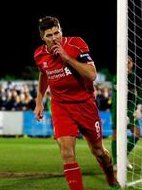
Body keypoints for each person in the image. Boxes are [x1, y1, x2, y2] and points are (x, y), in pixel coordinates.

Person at [33, 16, 119, 190]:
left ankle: (110, 176)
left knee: (98, 152)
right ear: (43, 37)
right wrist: (39, 101)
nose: (55, 37)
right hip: (61, 106)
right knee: (67, 152)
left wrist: (66, 58)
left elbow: (92, 74)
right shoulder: (39, 54)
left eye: (57, 33)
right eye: (49, 35)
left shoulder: (76, 44)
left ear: (61, 30)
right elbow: (43, 74)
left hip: (85, 104)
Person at [111, 56, 142, 171]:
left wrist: (139, 108)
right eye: (124, 63)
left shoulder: (136, 78)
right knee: (116, 134)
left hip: (130, 108)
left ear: (132, 64)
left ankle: (123, 157)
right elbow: (117, 92)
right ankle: (115, 162)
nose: (127, 65)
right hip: (118, 108)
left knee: (137, 133)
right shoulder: (117, 76)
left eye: (129, 62)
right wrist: (122, 113)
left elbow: (139, 94)